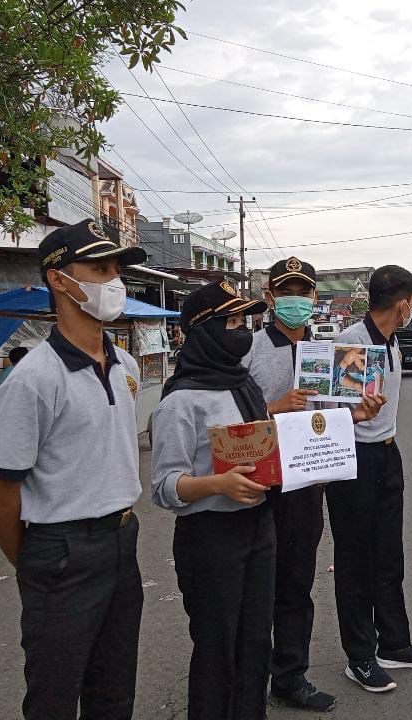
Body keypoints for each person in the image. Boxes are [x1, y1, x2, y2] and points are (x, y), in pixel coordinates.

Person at [0, 219, 147, 720]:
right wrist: (35, 563)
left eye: (116, 270)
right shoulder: (32, 380)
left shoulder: (126, 367)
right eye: (98, 269)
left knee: (114, 691)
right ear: (59, 279)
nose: (112, 282)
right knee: (54, 694)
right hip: (61, 549)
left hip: (122, 539)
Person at [242, 257, 385, 712]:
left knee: (296, 584)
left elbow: (332, 415)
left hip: (304, 484)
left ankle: (290, 676)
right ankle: (245, 682)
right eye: (286, 292)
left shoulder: (328, 355)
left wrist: (358, 415)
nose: (295, 301)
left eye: (303, 292)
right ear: (269, 297)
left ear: (314, 299)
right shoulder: (246, 352)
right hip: (255, 484)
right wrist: (274, 407)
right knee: (253, 589)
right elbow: (228, 425)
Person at [151, 281, 276, 720]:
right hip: (209, 537)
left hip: (258, 527)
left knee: (257, 637)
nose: (241, 330)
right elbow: (164, 486)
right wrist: (217, 484)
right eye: (231, 321)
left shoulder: (244, 385)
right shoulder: (181, 401)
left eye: (244, 320)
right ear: (203, 330)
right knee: (217, 644)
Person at [324, 265, 412, 695]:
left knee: (389, 556)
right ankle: (360, 657)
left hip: (386, 455)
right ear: (403, 302)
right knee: (356, 561)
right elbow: (335, 411)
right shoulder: (355, 344)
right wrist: (357, 415)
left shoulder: (390, 342)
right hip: (355, 461)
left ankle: (394, 642)